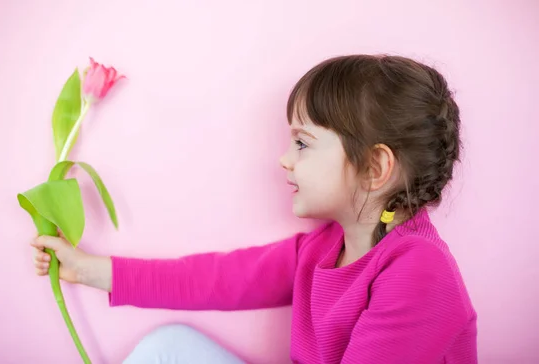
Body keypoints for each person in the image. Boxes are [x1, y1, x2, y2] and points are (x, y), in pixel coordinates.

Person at [31, 54, 478, 364]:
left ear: (375, 166)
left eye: (302, 143)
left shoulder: (420, 272)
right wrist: (87, 270)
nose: (284, 159)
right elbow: (217, 280)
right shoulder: (324, 248)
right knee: (168, 347)